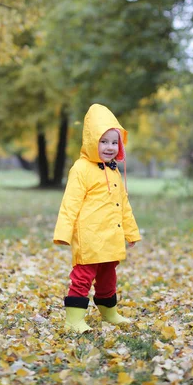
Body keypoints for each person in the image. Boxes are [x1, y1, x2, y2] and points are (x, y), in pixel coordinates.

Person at [53, 103, 141, 333]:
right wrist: (63, 233)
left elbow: (124, 206)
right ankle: (73, 320)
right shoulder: (81, 169)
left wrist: (131, 232)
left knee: (108, 278)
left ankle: (109, 312)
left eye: (115, 142)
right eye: (104, 141)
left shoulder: (113, 171)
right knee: (82, 278)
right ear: (92, 141)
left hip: (111, 236)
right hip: (90, 237)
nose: (110, 147)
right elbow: (70, 202)